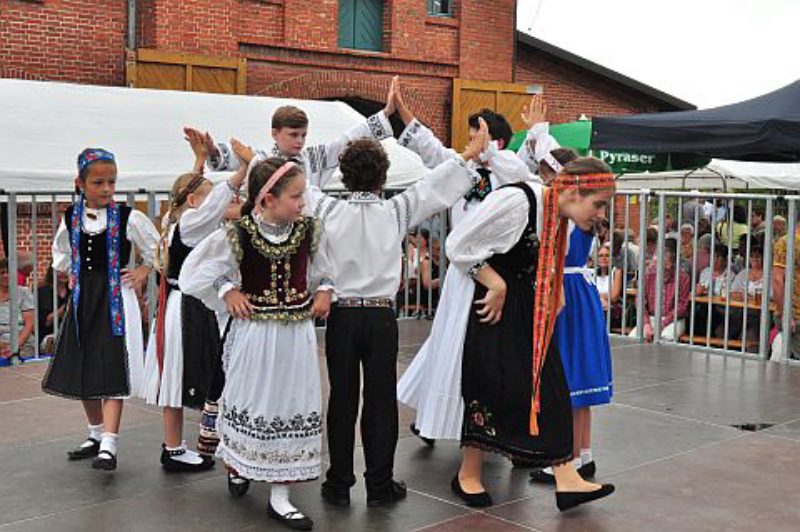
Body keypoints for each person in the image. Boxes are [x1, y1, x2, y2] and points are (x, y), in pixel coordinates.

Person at [313, 121, 490, 508]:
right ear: (382, 176)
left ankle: (338, 484)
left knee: (342, 399)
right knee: (379, 401)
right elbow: (435, 186)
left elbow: (296, 176)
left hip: (342, 317)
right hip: (379, 317)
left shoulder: (326, 209)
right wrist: (470, 152)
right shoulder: (395, 211)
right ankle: (380, 485)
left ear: (343, 176)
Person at [180, 157, 334, 530]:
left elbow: (324, 271)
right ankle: (238, 462)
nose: (302, 202)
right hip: (255, 334)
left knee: (290, 402)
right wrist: (227, 288)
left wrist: (326, 290)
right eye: (296, 196)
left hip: (295, 335)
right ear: (267, 199)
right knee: (250, 399)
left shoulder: (310, 231)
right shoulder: (238, 233)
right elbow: (194, 274)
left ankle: (280, 495)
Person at [41, 148, 159, 471]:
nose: (107, 189)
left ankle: (110, 442)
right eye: (99, 182)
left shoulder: (127, 217)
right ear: (80, 183)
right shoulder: (71, 218)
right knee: (84, 363)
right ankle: (95, 434)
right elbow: (60, 255)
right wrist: (69, 272)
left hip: (115, 300)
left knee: (110, 364)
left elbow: (157, 248)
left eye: (111, 182)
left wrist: (142, 272)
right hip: (84, 301)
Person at [139, 133, 246, 473]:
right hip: (187, 308)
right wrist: (244, 167)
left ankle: (174, 447)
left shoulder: (174, 218)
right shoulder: (189, 222)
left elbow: (191, 195)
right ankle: (178, 448)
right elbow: (210, 205)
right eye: (207, 197)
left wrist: (199, 160)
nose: (215, 203)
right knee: (185, 375)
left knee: (175, 377)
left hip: (176, 305)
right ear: (196, 201)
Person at [530, 217, 613, 485]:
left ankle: (570, 458)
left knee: (569, 376)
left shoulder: (570, 219)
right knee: (579, 379)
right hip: (580, 291)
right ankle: (583, 454)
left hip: (568, 292)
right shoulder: (584, 220)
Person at [186, 93, 394, 189]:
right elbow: (232, 158)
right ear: (275, 134)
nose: (300, 141)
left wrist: (385, 114)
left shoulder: (313, 159)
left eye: (303, 135)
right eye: (293, 135)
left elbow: (347, 139)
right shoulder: (263, 158)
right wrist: (212, 151)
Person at [629, 238, 690, 342]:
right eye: (654, 260)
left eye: (657, 262)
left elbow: (681, 306)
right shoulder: (648, 275)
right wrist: (647, 323)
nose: (653, 265)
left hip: (673, 320)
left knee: (664, 339)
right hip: (651, 318)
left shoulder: (682, 278)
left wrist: (662, 324)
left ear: (669, 264)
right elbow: (640, 302)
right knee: (633, 337)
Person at [772, 216, 800, 360]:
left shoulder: (785, 242)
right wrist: (786, 315)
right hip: (794, 314)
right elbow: (777, 281)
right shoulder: (786, 242)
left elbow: (777, 280)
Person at [693, 244, 734, 337]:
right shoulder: (705, 272)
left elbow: (724, 294)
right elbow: (700, 289)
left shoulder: (730, 275)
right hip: (705, 305)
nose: (714, 260)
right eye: (712, 257)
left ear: (725, 260)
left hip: (721, 308)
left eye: (718, 257)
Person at [0, 259, 35, 364]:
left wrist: (15, 345)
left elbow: (29, 324)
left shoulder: (24, 293)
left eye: (9, 272)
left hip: (22, 341)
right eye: (2, 272)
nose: (6, 275)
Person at [36, 267, 69, 354]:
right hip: (48, 335)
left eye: (67, 270)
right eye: (60, 271)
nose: (64, 273)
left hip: (68, 332)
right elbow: (47, 322)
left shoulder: (72, 291)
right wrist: (64, 309)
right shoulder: (44, 292)